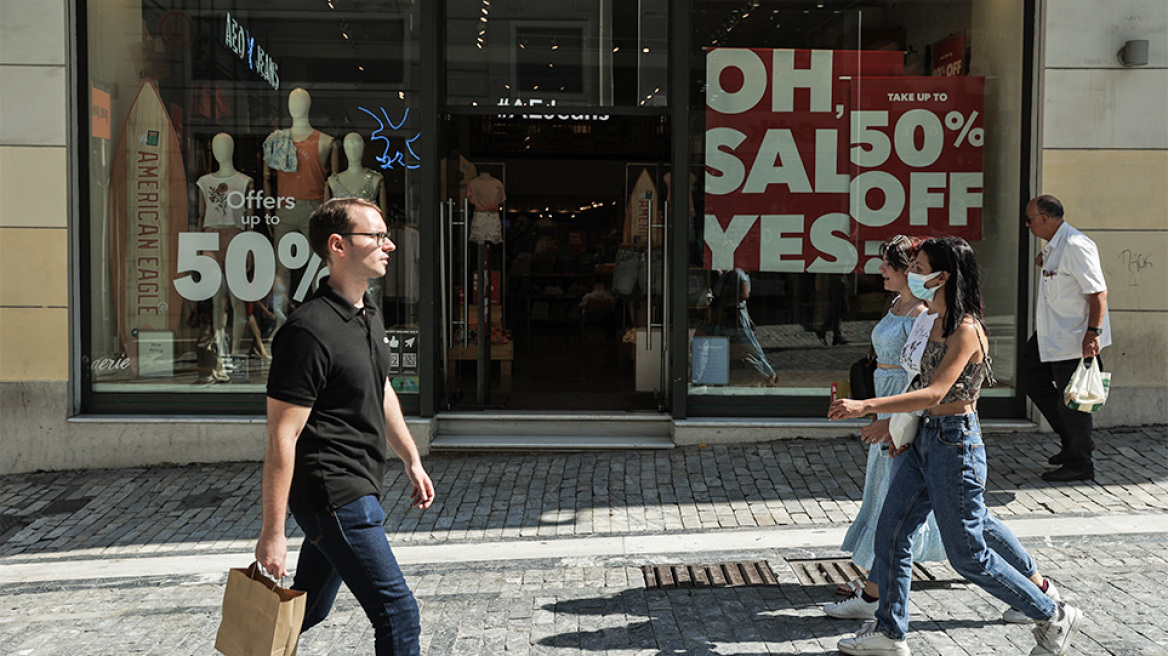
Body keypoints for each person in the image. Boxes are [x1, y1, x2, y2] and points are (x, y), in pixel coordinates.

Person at [828, 237, 1083, 656]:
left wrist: (868, 406)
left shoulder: (966, 328)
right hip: (923, 439)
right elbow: (915, 382)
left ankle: (1051, 613)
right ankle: (890, 633)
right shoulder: (931, 318)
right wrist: (894, 426)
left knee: (968, 556)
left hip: (955, 444)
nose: (912, 272)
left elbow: (935, 392)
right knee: (892, 533)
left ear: (942, 276)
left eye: (920, 266)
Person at [255, 197, 436, 655]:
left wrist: (411, 458)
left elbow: (380, 387)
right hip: (332, 495)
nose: (389, 245)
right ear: (337, 245)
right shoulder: (306, 332)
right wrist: (272, 534)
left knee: (307, 608)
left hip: (360, 485)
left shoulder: (365, 313)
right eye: (375, 236)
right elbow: (282, 434)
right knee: (397, 612)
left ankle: (250, 648)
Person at [825, 236, 945, 620]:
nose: (880, 271)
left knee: (895, 488)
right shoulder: (896, 304)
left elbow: (921, 378)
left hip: (900, 403)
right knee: (884, 485)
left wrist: (889, 418)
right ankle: (877, 572)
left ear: (908, 271)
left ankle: (876, 581)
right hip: (883, 394)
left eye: (888, 266)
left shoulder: (924, 315)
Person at [1019, 195, 1110, 482]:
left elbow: (1098, 293)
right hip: (1050, 334)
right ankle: (1073, 443)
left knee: (1073, 402)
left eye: (1030, 219)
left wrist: (1092, 333)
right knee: (1030, 376)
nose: (1027, 224)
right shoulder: (1055, 246)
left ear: (1045, 219)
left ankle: (1081, 462)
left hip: (1074, 337)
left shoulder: (1075, 245)